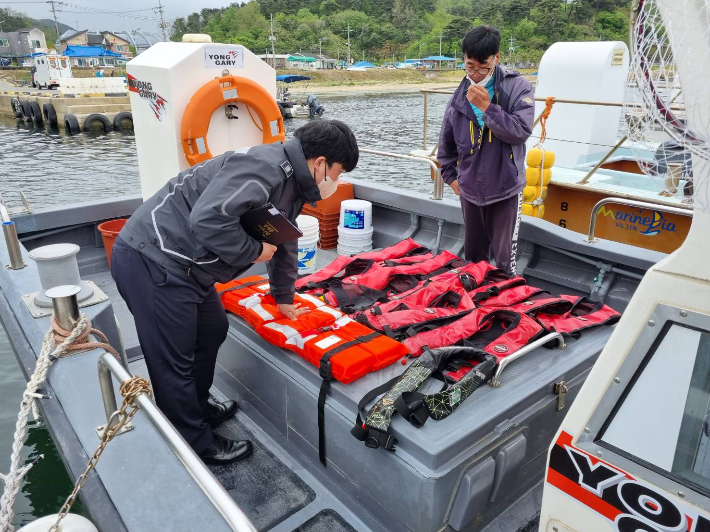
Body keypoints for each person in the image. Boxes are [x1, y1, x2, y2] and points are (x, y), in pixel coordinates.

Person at [111, 120, 359, 465]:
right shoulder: (264, 167)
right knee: (174, 361)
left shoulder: (293, 184)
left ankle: (196, 407)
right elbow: (210, 220)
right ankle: (192, 442)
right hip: (153, 260)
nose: (337, 180)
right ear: (320, 163)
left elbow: (280, 236)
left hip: (190, 269)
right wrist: (253, 252)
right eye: (339, 170)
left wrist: (283, 296)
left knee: (212, 330)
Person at [438, 26, 534, 275]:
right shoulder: (458, 96)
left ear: (497, 58)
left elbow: (521, 131)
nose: (477, 74)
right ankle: (477, 307)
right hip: (470, 192)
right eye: (470, 66)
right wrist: (451, 178)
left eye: (484, 67)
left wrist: (487, 108)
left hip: (505, 190)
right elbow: (446, 147)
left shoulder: (518, 87)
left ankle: (503, 305)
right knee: (473, 260)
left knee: (504, 264)